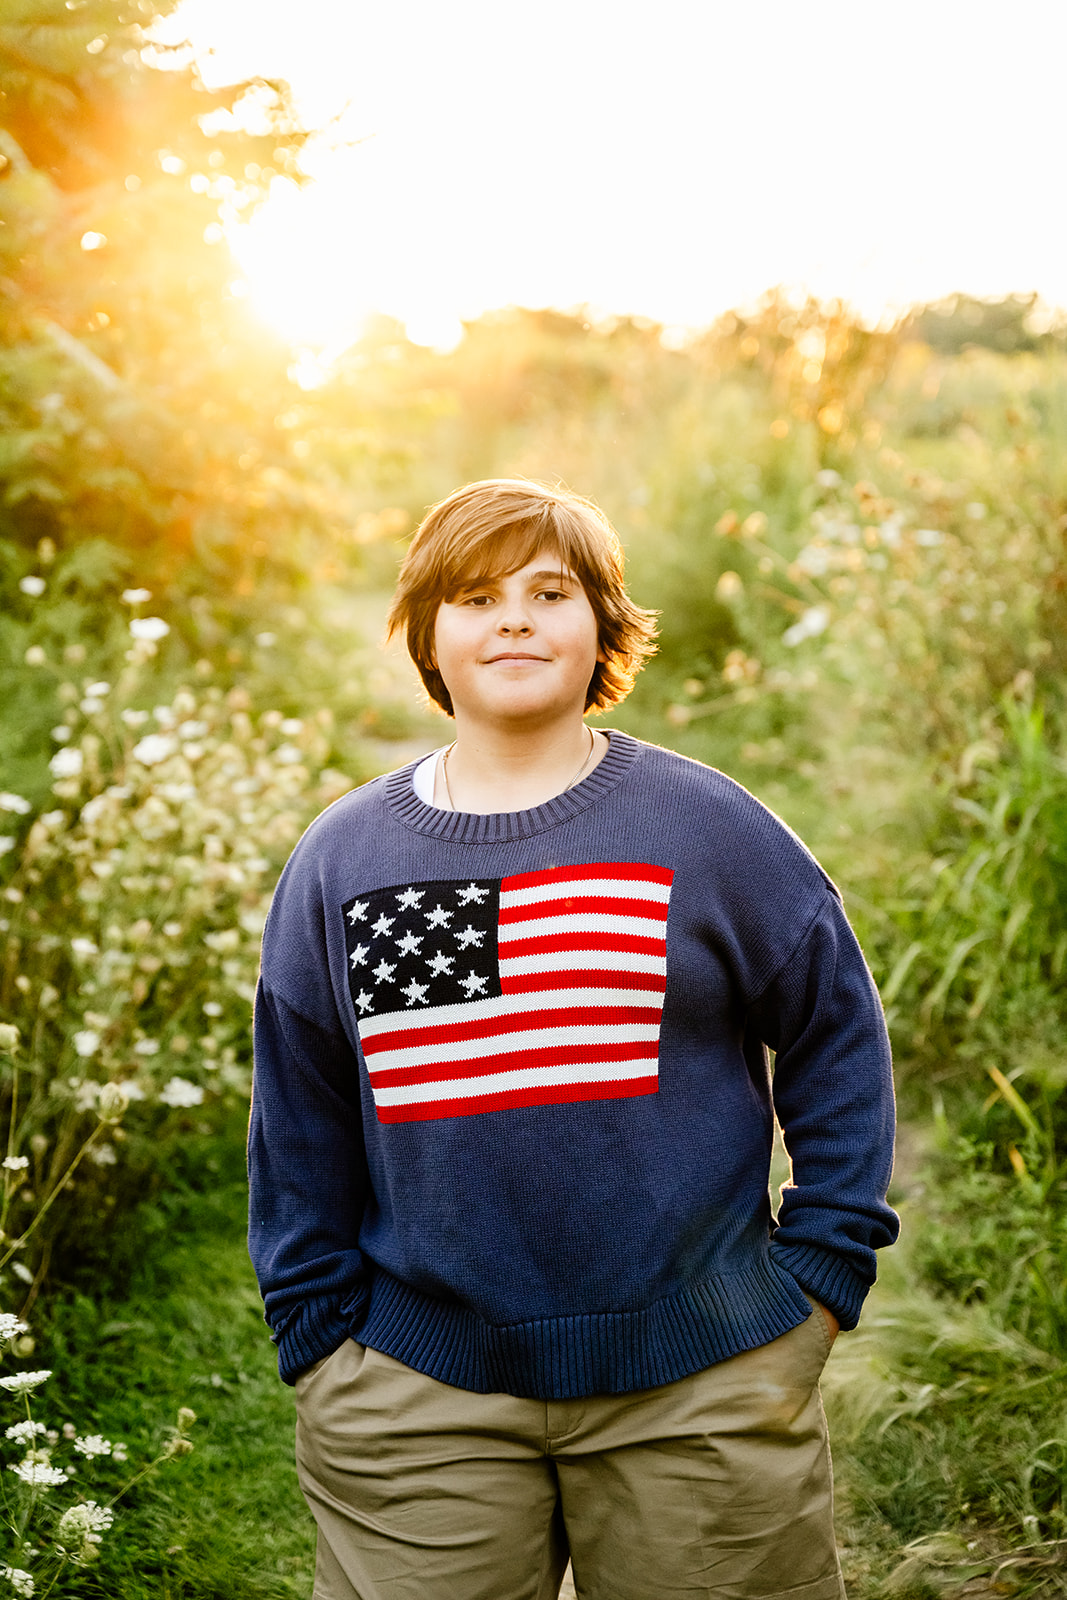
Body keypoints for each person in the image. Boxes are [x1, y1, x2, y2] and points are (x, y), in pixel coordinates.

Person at [248, 478, 899, 1600]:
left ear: (601, 624)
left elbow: (835, 1024)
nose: (512, 618)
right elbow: (298, 1103)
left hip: (698, 1382)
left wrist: (826, 1262)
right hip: (416, 1390)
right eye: (474, 595)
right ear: (424, 635)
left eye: (549, 591)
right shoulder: (345, 856)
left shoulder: (705, 826)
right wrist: (315, 1326)